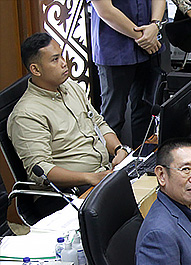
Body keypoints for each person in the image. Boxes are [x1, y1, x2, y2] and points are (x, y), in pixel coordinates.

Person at [7, 32, 129, 189]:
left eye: (61, 56)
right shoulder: (26, 114)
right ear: (36, 70)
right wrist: (90, 178)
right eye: (55, 59)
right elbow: (40, 169)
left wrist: (119, 149)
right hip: (68, 191)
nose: (64, 63)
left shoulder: (71, 87)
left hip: (103, 174)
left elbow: (98, 123)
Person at [89, 0, 165, 149]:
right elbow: (105, 11)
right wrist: (143, 37)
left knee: (147, 110)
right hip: (114, 47)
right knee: (113, 116)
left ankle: (142, 161)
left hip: (150, 43)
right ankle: (110, 166)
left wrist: (156, 25)